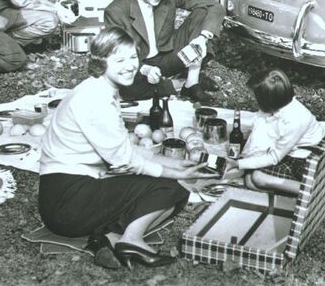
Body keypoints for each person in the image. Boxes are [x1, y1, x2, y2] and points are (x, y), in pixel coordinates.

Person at [39, 27, 214, 270]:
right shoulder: (95, 100)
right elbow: (125, 161)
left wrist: (175, 163)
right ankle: (131, 240)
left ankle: (108, 238)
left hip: (66, 195)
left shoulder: (99, 89)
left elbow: (124, 148)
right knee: (169, 188)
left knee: (172, 188)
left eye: (133, 57)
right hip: (67, 200)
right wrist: (176, 173)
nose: (130, 65)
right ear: (101, 62)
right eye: (119, 60)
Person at [103, 0, 225, 103]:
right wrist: (145, 69)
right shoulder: (115, 11)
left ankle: (192, 82)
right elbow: (117, 56)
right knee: (127, 89)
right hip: (140, 66)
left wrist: (202, 38)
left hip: (170, 56)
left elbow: (214, 6)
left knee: (203, 11)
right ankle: (180, 84)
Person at [226, 68, 325, 195]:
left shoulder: (295, 119)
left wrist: (238, 163)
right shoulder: (280, 107)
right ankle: (288, 194)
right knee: (249, 181)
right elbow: (261, 130)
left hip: (304, 160)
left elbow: (274, 157)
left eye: (256, 98)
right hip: (291, 153)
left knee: (257, 177)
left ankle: (315, 191)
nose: (254, 101)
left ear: (267, 101)